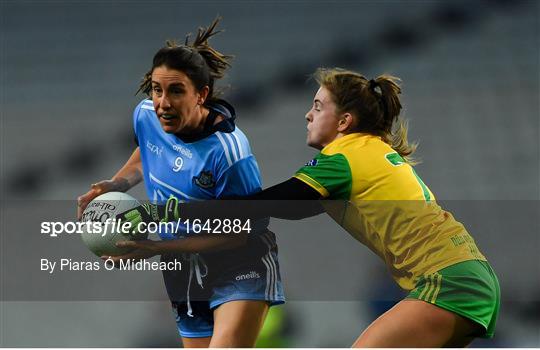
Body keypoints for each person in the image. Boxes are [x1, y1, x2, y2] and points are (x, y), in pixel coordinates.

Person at [116, 67, 500, 347]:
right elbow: (288, 209)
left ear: (344, 121)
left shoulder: (343, 158)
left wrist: (160, 213)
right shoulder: (370, 152)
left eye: (318, 106)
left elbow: (266, 206)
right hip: (468, 276)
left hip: (449, 281)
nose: (308, 114)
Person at [77, 18, 285, 348]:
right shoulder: (146, 115)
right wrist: (118, 184)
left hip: (240, 263)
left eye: (176, 91)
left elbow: (241, 232)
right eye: (157, 90)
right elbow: (147, 150)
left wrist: (155, 248)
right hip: (183, 268)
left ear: (201, 94)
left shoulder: (229, 153)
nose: (163, 102)